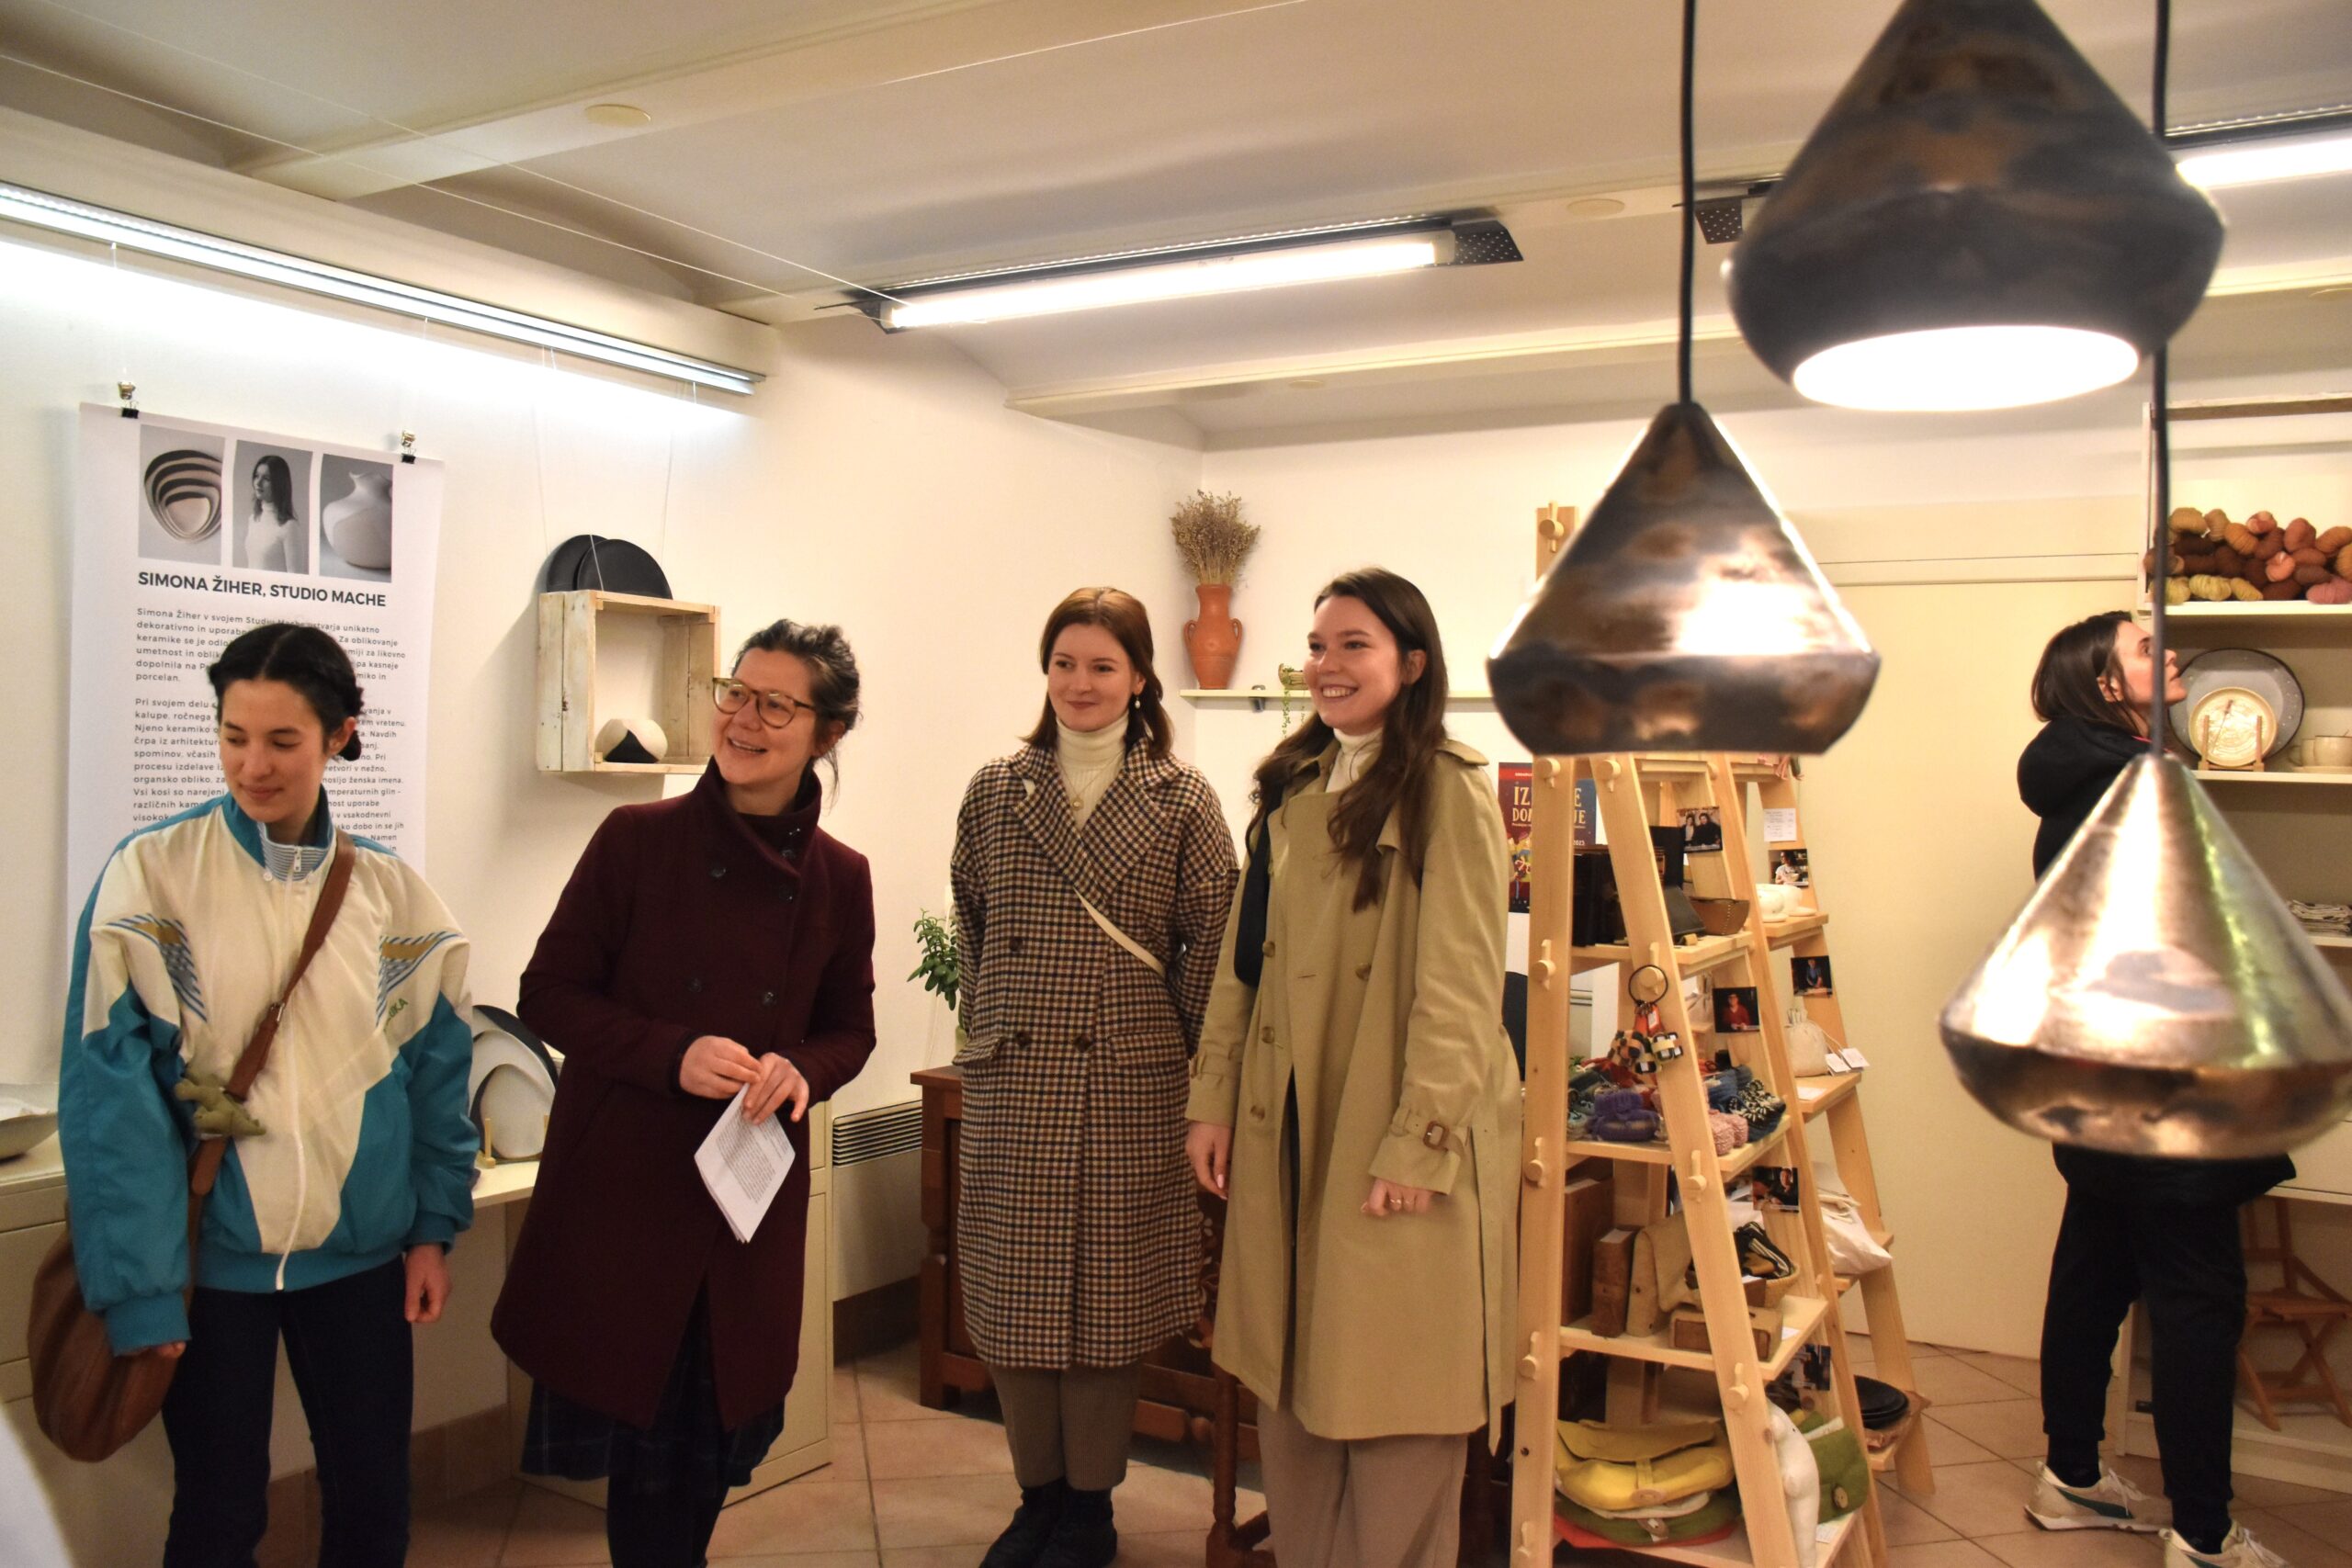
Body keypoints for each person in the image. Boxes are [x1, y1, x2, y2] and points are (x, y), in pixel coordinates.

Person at [59, 622, 476, 1568]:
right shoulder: (151, 877)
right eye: (233, 735)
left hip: (362, 1263)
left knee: (374, 1503)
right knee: (218, 1513)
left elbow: (435, 1079)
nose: (253, 765)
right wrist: (143, 1290)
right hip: (211, 1267)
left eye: (283, 740)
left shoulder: (395, 898)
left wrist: (431, 1230)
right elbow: (110, 1100)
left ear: (339, 735)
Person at [495, 619, 877, 1568]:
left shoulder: (840, 876)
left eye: (775, 705)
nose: (742, 719)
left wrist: (802, 1068)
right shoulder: (637, 839)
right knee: (646, 1475)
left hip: (744, 1205)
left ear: (827, 732)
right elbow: (547, 992)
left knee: (708, 1447)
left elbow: (850, 1029)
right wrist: (672, 1054)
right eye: (734, 692)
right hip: (629, 1195)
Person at [1183, 568, 1520, 1568]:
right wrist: (1212, 1099)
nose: (1326, 665)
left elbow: (1461, 989)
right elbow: (1244, 962)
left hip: (1389, 1123)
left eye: (1353, 645)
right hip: (1287, 1120)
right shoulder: (1294, 785)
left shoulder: (1449, 792)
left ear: (1411, 663)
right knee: (1292, 1381)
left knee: (1396, 1391)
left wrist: (1418, 1143)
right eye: (1317, 646)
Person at [950, 587, 1238, 1568]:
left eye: (1103, 666)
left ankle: (1089, 1509)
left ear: (1140, 678)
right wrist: (987, 1029)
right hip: (1014, 1077)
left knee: (1106, 1308)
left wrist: (1183, 1060)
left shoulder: (1182, 798)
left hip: (1128, 1081)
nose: (1080, 683)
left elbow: (1212, 945)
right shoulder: (997, 788)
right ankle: (1036, 1499)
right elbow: (973, 920)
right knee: (1014, 1299)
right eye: (1064, 663)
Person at [2018, 610, 2293, 1568]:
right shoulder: (2135, 787)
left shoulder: (2090, 779)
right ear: (2105, 686)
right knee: (2198, 1301)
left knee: (2093, 1275)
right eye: (2145, 647)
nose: (2168, 651)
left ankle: (2071, 1477)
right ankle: (2205, 1535)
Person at [245, 454, 302, 573]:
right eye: (256, 476)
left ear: (279, 483)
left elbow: (296, 577)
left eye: (266, 478)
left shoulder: (289, 527)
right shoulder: (253, 520)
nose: (258, 483)